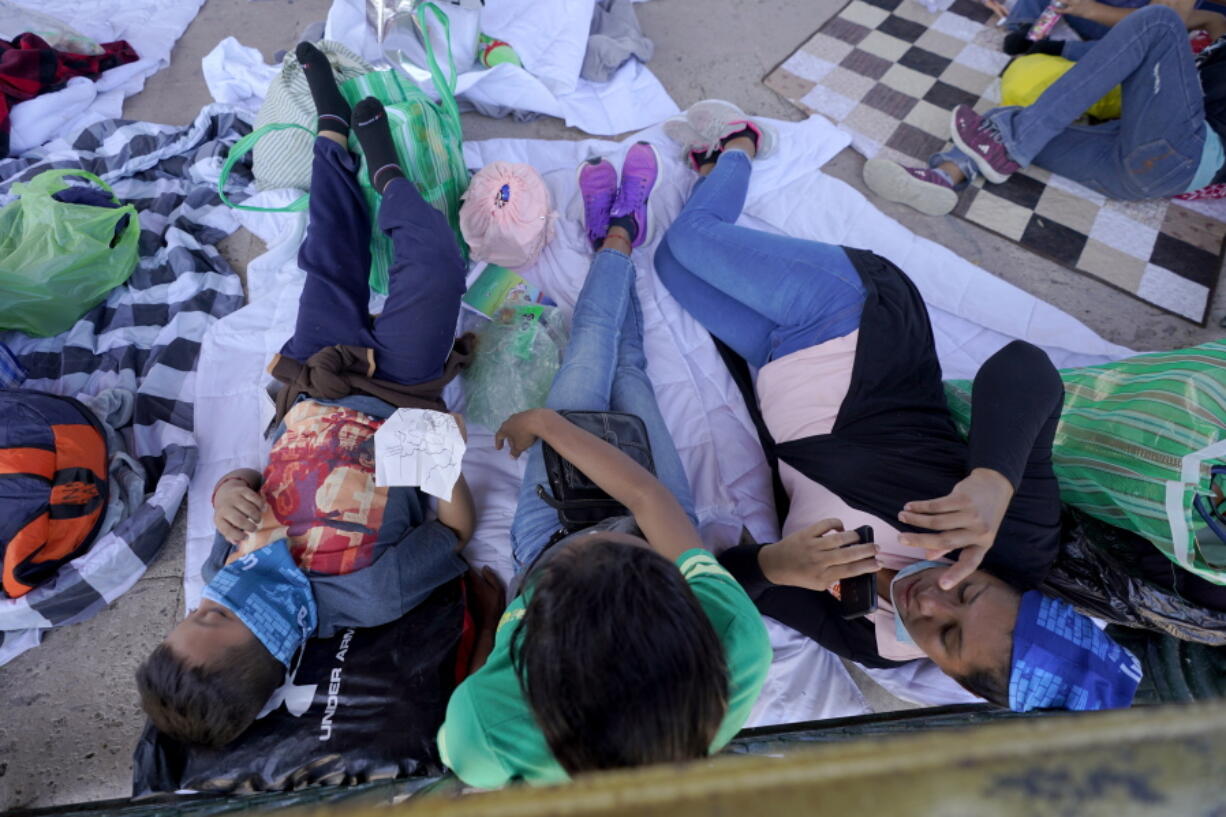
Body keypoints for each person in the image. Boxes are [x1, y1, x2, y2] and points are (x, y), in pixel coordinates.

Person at [657, 99, 1141, 712]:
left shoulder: (872, 638)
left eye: (946, 637)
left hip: (779, 371)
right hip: (858, 323)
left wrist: (777, 564)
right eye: (966, 596)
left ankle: (715, 172)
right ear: (1012, 588)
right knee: (692, 239)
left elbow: (731, 583)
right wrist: (993, 478)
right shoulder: (1016, 539)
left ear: (952, 675)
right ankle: (743, 142)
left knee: (672, 266)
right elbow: (1024, 369)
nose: (931, 605)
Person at [135, 44, 498, 748]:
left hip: (313, 380)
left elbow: (249, 478)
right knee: (435, 264)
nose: (211, 595)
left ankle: (332, 129)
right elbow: (453, 531)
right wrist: (435, 454)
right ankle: (387, 165)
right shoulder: (369, 593)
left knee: (327, 252)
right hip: (396, 393)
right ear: (269, 646)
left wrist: (230, 491)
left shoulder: (225, 566)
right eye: (214, 618)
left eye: (196, 608)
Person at [436, 143, 772, 788]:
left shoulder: (487, 730)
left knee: (591, 353)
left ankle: (616, 235)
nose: (598, 533)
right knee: (629, 369)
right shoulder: (735, 649)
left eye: (551, 580)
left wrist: (552, 424)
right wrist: (549, 425)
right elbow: (645, 502)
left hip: (559, 525)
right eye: (627, 552)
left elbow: (471, 710)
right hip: (656, 511)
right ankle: (619, 234)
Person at [862, 1, 1226, 215]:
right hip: (1136, 172)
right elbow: (1131, 52)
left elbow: (1165, 21)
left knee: (1159, 20)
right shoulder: (1217, 28)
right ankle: (946, 177)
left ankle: (1008, 144)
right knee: (1002, 123)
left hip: (1185, 152)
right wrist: (1047, 50)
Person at [1000, 0, 1226, 59]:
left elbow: (1160, 21)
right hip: (1074, 11)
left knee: (1135, 52)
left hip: (1126, 24)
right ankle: (1027, 27)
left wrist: (1090, 10)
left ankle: (1058, 49)